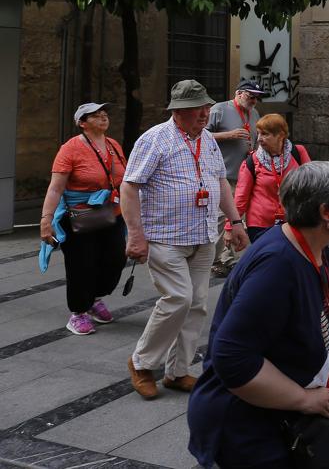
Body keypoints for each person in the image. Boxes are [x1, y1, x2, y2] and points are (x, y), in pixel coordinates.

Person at [188, 161, 329, 469]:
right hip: (246, 426)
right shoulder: (278, 264)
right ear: (326, 212)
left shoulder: (315, 246)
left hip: (275, 415)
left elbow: (328, 318)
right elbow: (231, 356)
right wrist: (303, 398)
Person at [123, 80, 250, 400]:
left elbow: (220, 182)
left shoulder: (207, 140)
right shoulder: (155, 139)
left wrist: (235, 222)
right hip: (166, 237)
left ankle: (177, 371)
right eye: (199, 108)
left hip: (204, 235)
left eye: (207, 107)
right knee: (177, 299)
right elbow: (129, 187)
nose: (206, 113)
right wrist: (136, 234)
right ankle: (141, 363)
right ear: (178, 111)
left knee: (196, 305)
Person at [37, 102, 128, 336]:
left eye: (104, 114)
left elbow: (123, 178)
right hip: (79, 215)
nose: (103, 118)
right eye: (96, 116)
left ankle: (96, 298)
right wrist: (46, 219)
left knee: (115, 259)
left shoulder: (113, 145)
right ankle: (78, 312)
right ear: (82, 123)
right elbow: (56, 188)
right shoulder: (70, 149)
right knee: (82, 265)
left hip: (111, 212)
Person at [208, 80, 265, 277]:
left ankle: (228, 259)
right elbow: (199, 136)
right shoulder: (219, 109)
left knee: (236, 219)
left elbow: (257, 140)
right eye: (251, 96)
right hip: (223, 174)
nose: (254, 101)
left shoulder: (254, 114)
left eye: (257, 98)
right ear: (239, 93)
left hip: (245, 174)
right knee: (220, 217)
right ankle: (215, 260)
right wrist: (228, 135)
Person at [234, 113, 311, 244]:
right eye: (258, 134)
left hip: (294, 221)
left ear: (280, 135)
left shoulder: (298, 152)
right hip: (260, 224)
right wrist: (231, 225)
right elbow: (241, 197)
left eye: (265, 134)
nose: (259, 139)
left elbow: (313, 184)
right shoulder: (252, 161)